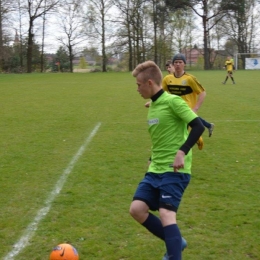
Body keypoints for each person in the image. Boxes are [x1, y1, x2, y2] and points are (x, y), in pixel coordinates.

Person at [130, 60, 205, 260]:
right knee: (137, 209)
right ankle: (176, 242)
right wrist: (151, 159)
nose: (136, 89)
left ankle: (174, 254)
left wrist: (182, 151)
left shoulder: (174, 102)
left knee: (166, 214)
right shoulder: (153, 105)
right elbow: (160, 138)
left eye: (138, 85)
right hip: (156, 168)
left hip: (175, 170)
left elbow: (198, 126)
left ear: (149, 83)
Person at [162, 54, 214, 147]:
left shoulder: (190, 79)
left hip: (186, 111)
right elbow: (161, 92)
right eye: (176, 62)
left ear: (184, 64)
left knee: (180, 136)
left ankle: (184, 151)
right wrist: (153, 101)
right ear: (173, 65)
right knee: (178, 134)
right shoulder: (167, 79)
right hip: (174, 111)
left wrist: (195, 108)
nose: (178, 64)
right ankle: (198, 139)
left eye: (180, 62)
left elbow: (202, 93)